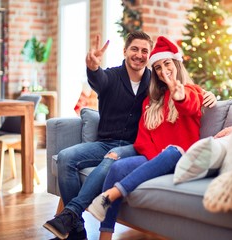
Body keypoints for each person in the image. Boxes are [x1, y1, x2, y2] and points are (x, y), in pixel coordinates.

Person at [43, 32, 216, 240]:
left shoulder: (156, 84)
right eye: (134, 49)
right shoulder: (119, 79)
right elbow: (100, 80)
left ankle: (70, 214)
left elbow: (187, 98)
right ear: (125, 51)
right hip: (106, 143)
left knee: (115, 156)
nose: (139, 55)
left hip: (130, 147)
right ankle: (75, 226)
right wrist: (93, 67)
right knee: (65, 158)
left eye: (145, 51)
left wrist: (207, 95)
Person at [87, 36, 209, 240]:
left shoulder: (190, 92)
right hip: (156, 159)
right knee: (117, 168)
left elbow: (190, 105)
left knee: (172, 151)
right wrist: (156, 163)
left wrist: (178, 96)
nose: (163, 71)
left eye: (167, 64)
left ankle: (109, 196)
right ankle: (105, 235)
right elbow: (142, 141)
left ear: (176, 64)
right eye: (158, 67)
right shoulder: (150, 103)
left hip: (184, 159)